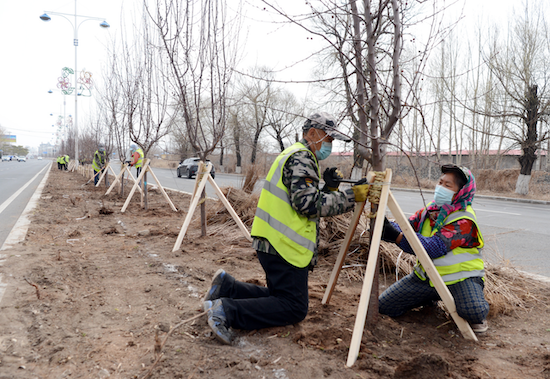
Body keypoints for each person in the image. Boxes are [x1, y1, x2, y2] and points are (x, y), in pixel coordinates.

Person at [202, 112, 370, 345]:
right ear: (312, 133)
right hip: (283, 244)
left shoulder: (294, 154)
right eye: (328, 139)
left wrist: (330, 189)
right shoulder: (302, 157)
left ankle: (227, 287)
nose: (330, 145)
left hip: (273, 239)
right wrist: (351, 196)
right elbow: (307, 204)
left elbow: (304, 198)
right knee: (293, 307)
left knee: (280, 297)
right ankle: (226, 311)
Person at [378, 164, 489, 333]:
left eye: (447, 185)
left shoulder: (464, 219)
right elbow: (406, 226)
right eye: (440, 182)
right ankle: (428, 298)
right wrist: (390, 226)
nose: (440, 188)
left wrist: (396, 237)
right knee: (384, 306)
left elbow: (434, 247)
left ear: (460, 192)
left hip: (460, 279)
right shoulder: (429, 210)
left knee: (472, 311)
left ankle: (475, 311)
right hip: (427, 278)